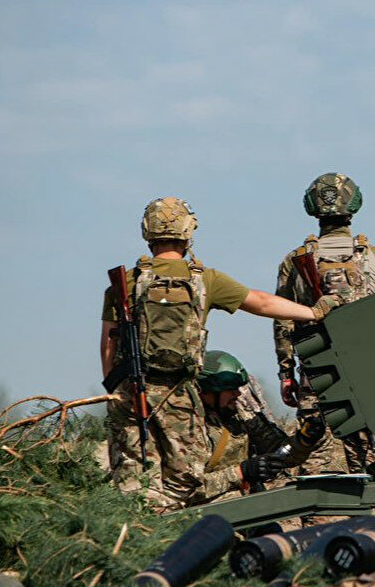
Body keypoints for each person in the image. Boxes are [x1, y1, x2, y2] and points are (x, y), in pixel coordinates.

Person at [100, 196, 342, 512]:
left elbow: (108, 344)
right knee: (186, 479)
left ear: (147, 232)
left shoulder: (126, 283)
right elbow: (262, 302)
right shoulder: (206, 279)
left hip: (133, 391)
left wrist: (116, 393)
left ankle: (139, 530)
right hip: (180, 396)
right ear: (188, 233)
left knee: (132, 479)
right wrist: (313, 311)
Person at [274, 173, 375, 477]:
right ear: (354, 203)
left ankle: (313, 523)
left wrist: (286, 373)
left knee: (312, 459)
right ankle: (369, 522)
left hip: (315, 374)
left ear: (310, 206)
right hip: (366, 373)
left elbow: (283, 320)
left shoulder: (295, 260)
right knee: (368, 463)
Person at [194, 350, 297, 502]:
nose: (237, 394)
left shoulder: (240, 416)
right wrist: (242, 472)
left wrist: (305, 438)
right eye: (230, 389)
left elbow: (282, 452)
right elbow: (187, 490)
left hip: (249, 507)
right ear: (208, 390)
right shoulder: (189, 427)